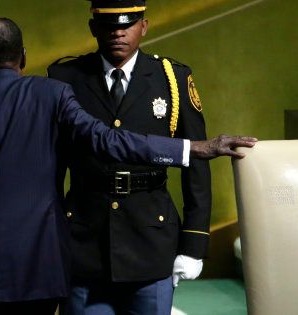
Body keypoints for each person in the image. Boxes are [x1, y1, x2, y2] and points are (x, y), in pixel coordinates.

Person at [0, 17, 254, 315]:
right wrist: (194, 149)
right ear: (22, 56)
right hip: (39, 267)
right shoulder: (52, 94)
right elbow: (109, 141)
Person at [47, 0, 214, 314]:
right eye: (109, 25)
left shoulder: (172, 78)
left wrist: (194, 244)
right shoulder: (64, 78)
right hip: (83, 243)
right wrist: (50, 240)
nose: (118, 33)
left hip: (151, 242)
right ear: (93, 28)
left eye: (127, 24)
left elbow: (196, 163)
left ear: (144, 26)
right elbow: (51, 166)